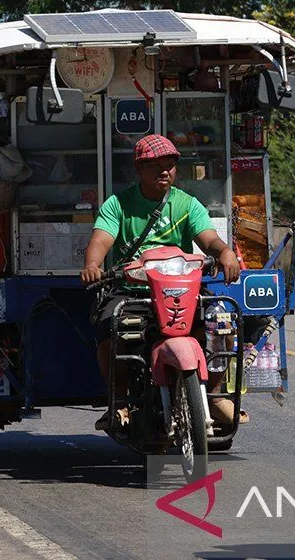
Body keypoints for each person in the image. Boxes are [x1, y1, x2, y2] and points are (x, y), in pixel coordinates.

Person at [81, 134, 241, 430]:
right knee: (109, 327)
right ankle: (119, 402)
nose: (164, 171)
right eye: (155, 166)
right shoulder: (119, 205)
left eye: (169, 165)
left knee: (223, 321)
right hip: (134, 293)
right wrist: (93, 264)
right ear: (138, 169)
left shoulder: (187, 205)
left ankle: (215, 393)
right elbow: (101, 239)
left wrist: (226, 253)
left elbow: (210, 239)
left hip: (182, 292)